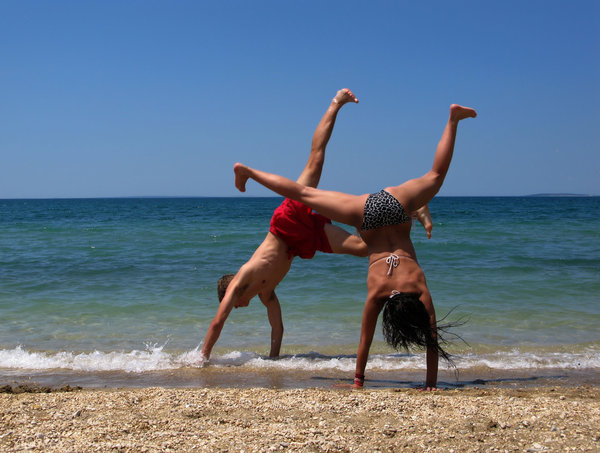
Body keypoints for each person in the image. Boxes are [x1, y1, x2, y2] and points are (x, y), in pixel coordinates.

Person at [232, 103, 477, 389]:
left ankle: (453, 120)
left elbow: (426, 337)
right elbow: (368, 339)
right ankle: (249, 172)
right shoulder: (379, 294)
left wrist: (425, 383)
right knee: (304, 194)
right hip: (367, 218)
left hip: (393, 204)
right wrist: (360, 381)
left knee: (435, 175)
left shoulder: (418, 287)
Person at [201, 89, 433, 361]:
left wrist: (203, 357)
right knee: (361, 248)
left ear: (229, 292)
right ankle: (406, 209)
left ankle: (336, 103)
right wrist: (273, 362)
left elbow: (217, 322)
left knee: (316, 159)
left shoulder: (243, 278)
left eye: (232, 304)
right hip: (303, 242)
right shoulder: (266, 295)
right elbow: (277, 327)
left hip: (287, 225)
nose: (237, 308)